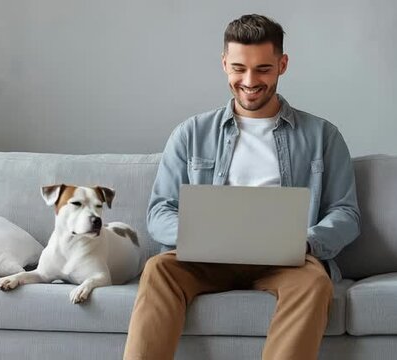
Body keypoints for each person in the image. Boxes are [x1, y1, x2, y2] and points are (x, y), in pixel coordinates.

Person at [123, 14, 361, 360]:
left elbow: (346, 213)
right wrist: (198, 235)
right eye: (239, 68)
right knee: (160, 269)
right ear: (224, 64)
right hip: (206, 258)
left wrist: (305, 240)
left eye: (263, 69)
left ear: (282, 64)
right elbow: (160, 210)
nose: (250, 81)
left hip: (288, 261)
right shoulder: (191, 133)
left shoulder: (323, 136)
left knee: (315, 281)